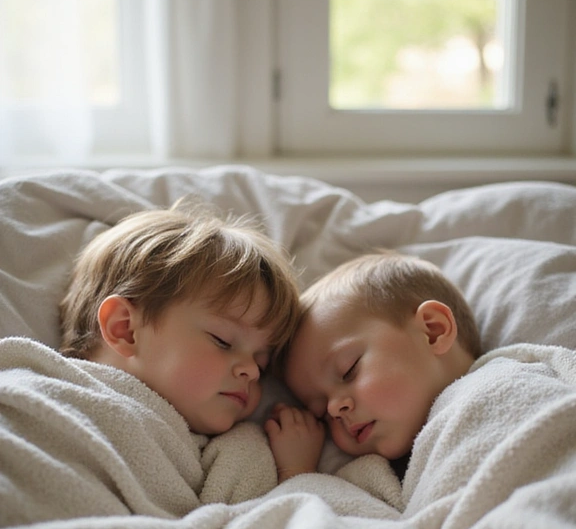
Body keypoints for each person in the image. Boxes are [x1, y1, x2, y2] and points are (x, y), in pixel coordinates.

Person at [60, 203, 301, 436]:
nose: (252, 372)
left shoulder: (240, 448)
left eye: (262, 364)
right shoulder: (58, 406)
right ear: (124, 328)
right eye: (222, 341)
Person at [264, 250, 482, 481]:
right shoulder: (372, 477)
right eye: (321, 415)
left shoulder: (502, 388)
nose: (334, 409)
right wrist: (299, 472)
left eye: (349, 371)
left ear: (432, 331)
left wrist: (297, 475)